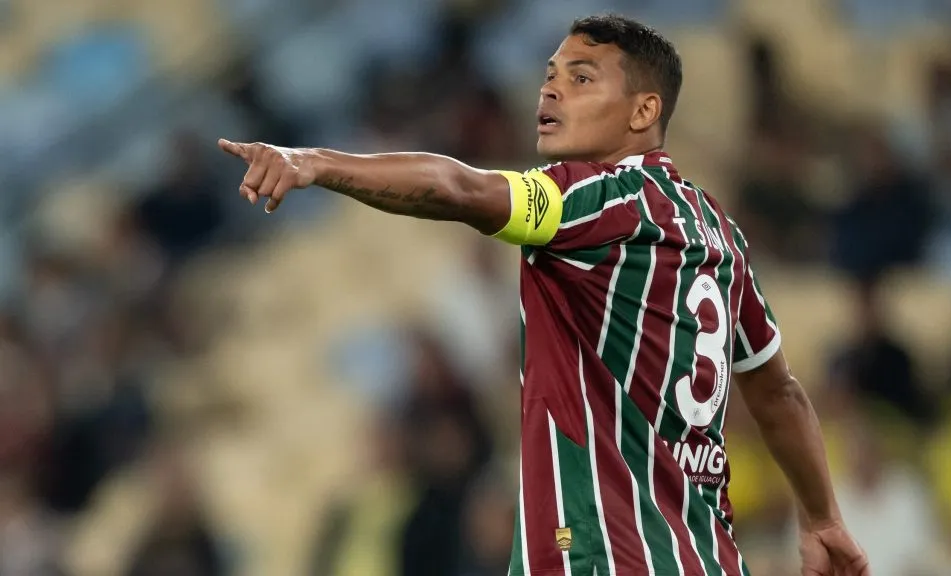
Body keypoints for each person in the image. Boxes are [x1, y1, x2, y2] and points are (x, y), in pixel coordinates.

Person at [218, 14, 869, 576]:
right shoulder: (721, 236)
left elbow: (462, 189)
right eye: (550, 73)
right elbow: (778, 392)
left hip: (598, 555)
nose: (551, 88)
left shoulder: (595, 197)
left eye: (582, 77)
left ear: (644, 110)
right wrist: (822, 516)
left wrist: (317, 163)